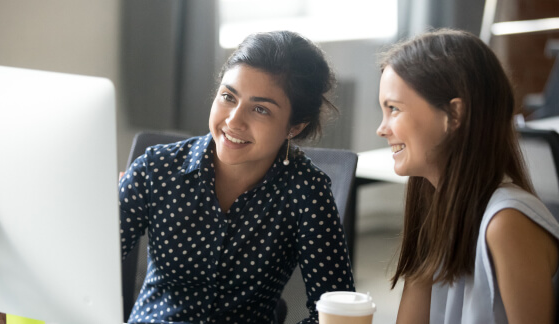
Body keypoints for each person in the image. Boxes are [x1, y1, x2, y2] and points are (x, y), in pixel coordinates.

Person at [119, 30, 354, 324]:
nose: (233, 121)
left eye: (260, 109)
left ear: (294, 127)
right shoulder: (157, 169)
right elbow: (86, 264)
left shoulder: (307, 191)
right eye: (228, 97)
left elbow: (338, 311)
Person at [376, 28, 559, 323]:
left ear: (454, 115)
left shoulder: (506, 223)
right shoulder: (435, 208)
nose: (381, 128)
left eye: (394, 109)